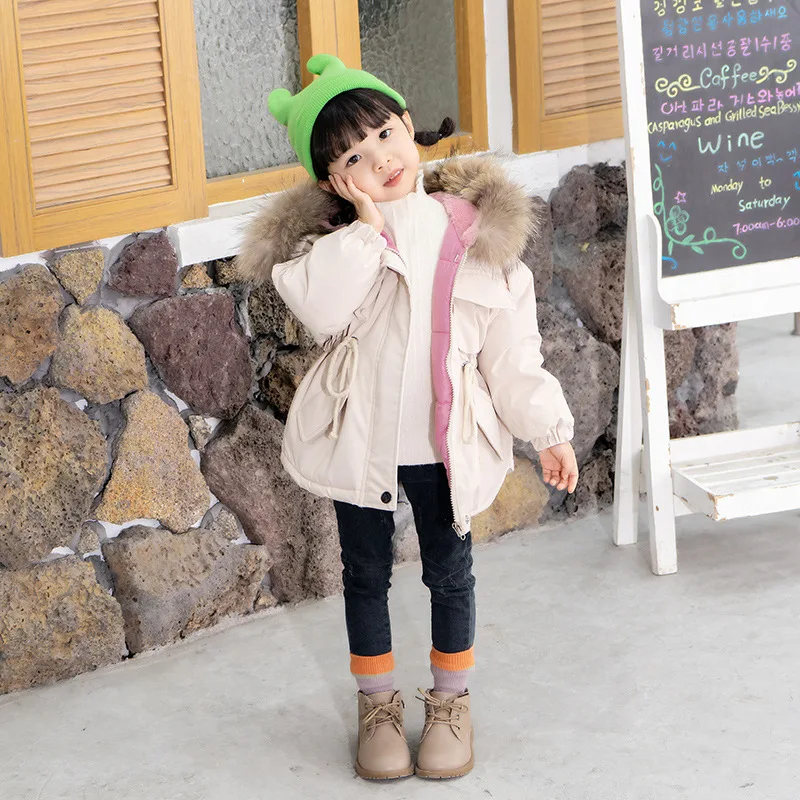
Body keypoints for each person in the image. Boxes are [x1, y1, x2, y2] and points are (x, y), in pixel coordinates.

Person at [236, 54, 578, 781]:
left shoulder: (474, 235)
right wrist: (365, 227)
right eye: (353, 158)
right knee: (364, 575)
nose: (380, 161)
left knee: (450, 577)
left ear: (408, 125)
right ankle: (378, 706)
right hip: (362, 447)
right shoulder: (334, 249)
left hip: (444, 449)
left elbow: (512, 355)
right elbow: (320, 310)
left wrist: (549, 430)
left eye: (385, 135)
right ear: (332, 182)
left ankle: (451, 703)